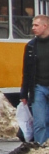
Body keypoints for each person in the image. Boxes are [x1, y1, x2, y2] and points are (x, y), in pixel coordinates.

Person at [20, 14, 49, 144]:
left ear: (45, 26)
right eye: (33, 25)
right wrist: (24, 92)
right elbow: (26, 70)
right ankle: (41, 151)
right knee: (40, 122)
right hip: (38, 88)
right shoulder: (31, 46)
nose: (33, 28)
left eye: (36, 25)